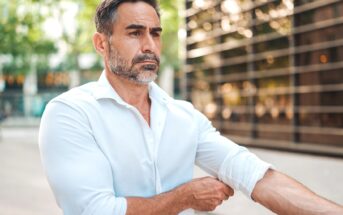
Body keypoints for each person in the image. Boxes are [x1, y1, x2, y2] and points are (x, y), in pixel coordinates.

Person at [39, 0, 343, 214]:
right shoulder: (71, 113)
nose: (149, 46)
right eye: (135, 33)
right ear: (102, 44)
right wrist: (184, 197)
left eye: (155, 33)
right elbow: (95, 211)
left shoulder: (182, 115)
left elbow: (253, 174)